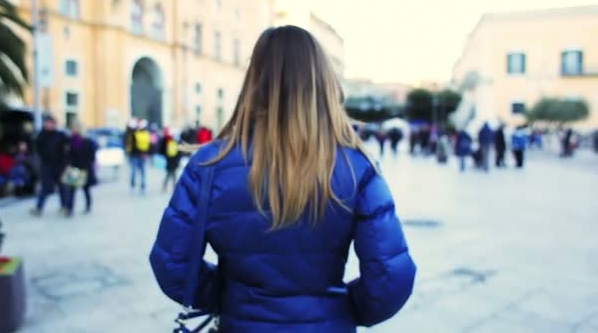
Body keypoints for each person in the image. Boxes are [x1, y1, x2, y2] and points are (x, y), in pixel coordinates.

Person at [149, 26, 416, 332]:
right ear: (323, 83)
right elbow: (392, 277)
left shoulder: (209, 164)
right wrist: (345, 308)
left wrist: (227, 297)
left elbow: (171, 263)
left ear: (253, 82)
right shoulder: (358, 166)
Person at [31, 117, 68, 216]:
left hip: (59, 166)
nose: (48, 125)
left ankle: (64, 206)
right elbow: (37, 148)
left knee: (62, 187)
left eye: (50, 123)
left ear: (54, 124)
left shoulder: (61, 135)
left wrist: (65, 163)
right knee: (45, 187)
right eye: (47, 123)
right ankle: (39, 208)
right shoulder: (41, 135)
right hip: (47, 165)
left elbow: (67, 149)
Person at [63, 122, 97, 216]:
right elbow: (68, 155)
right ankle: (69, 209)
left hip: (85, 168)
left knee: (85, 189)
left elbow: (92, 155)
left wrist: (88, 165)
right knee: (71, 190)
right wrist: (68, 164)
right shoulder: (70, 141)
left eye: (77, 128)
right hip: (74, 168)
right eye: (73, 128)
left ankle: (88, 205)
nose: (75, 130)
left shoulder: (88, 141)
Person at [130, 119, 150, 193]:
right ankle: (137, 183)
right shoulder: (136, 133)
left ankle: (139, 184)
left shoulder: (138, 133)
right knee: (139, 170)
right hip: (139, 155)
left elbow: (148, 144)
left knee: (139, 170)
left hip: (139, 155)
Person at [159, 127, 181, 192]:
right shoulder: (171, 142)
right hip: (172, 160)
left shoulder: (168, 141)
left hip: (171, 160)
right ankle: (169, 186)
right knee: (171, 174)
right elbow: (179, 152)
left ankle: (168, 186)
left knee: (171, 174)